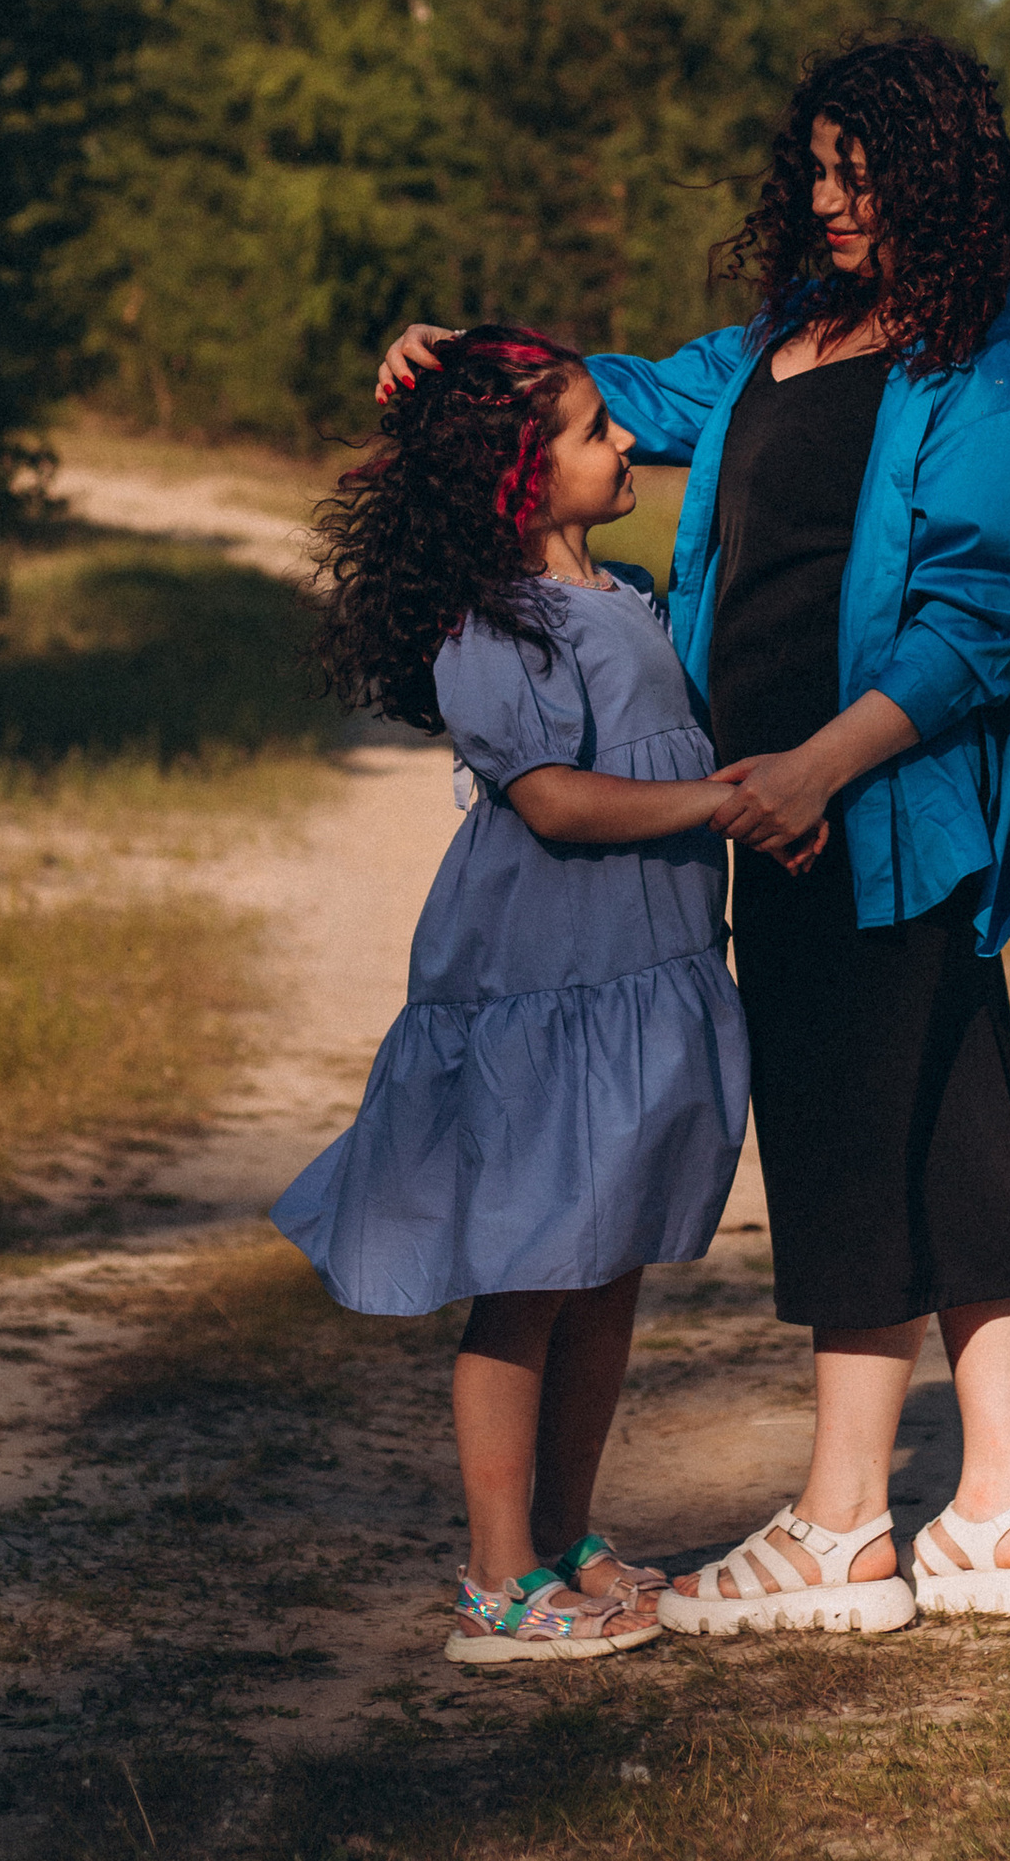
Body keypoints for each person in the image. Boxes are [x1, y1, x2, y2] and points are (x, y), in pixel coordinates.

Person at [376, 30, 1010, 1637]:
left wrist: (813, 774)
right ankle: (999, 1511)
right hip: (779, 812)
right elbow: (592, 399)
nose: (833, 199)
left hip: (866, 812)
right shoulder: (781, 342)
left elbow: (975, 626)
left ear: (941, 175)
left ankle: (842, 1527)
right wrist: (462, 352)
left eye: (863, 173)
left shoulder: (1000, 373)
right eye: (820, 169)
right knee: (960, 1126)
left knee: (863, 1131)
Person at [271, 329, 757, 1662]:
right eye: (595, 430)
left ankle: (564, 1533)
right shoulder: (499, 626)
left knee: (607, 1270)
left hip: (643, 974)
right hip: (546, 985)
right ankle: (498, 1575)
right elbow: (551, 800)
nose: (622, 446)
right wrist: (717, 802)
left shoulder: (630, 599)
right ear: (513, 474)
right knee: (531, 1275)